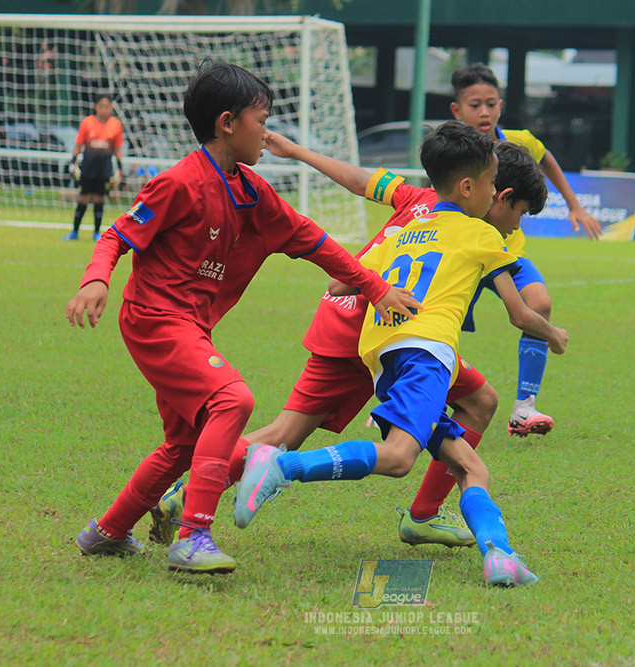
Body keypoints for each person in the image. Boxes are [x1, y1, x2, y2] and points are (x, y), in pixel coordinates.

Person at [65, 60, 420, 575]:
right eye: (262, 118)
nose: (268, 130)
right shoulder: (178, 183)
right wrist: (96, 277)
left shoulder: (253, 191)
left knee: (182, 445)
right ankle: (193, 537)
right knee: (232, 399)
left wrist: (377, 287)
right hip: (155, 318)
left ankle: (107, 532)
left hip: (188, 326)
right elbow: (118, 234)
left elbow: (317, 242)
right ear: (228, 123)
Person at [148, 137, 551, 552]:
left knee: (479, 399)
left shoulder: (417, 196)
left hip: (351, 316)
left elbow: (362, 181)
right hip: (388, 329)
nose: (517, 225)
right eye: (518, 212)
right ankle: (423, 515)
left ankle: (186, 492)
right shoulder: (473, 229)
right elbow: (524, 309)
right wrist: (553, 335)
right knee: (296, 434)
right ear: (487, 190)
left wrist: (300, 151)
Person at [231, 121, 569, 587]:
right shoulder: (486, 237)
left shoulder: (406, 224)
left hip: (384, 358)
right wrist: (553, 334)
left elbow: (340, 282)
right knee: (397, 458)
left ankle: (500, 555)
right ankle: (281, 465)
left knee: (471, 466)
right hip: (425, 354)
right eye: (495, 190)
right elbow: (521, 310)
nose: (500, 205)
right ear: (473, 188)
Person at [450, 63, 601, 437]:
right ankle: (409, 397)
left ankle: (524, 408)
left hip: (505, 253)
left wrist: (574, 203)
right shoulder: (453, 148)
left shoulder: (518, 141)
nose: (483, 112)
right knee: (441, 324)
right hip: (463, 253)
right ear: (457, 111)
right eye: (474, 105)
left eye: (490, 104)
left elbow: (546, 158)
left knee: (540, 303)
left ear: (500, 105)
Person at [64, 94, 124, 242]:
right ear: (96, 107)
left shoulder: (116, 125)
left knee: (99, 199)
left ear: (111, 108)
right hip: (88, 166)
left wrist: (121, 169)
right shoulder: (87, 123)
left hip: (104, 168)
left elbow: (117, 150)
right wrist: (72, 162)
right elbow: (78, 146)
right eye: (101, 106)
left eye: (107, 107)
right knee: (83, 198)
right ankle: (75, 232)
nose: (104, 110)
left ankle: (96, 233)